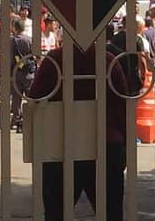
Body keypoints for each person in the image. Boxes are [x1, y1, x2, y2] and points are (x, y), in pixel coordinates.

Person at [30, 43, 128, 221]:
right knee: (111, 212)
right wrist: (125, 146)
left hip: (61, 143)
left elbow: (36, 97)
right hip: (105, 143)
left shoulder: (54, 59)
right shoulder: (107, 59)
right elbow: (122, 104)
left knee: (55, 212)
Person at [9, 17, 35, 133]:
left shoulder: (12, 41)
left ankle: (18, 120)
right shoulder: (30, 40)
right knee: (31, 97)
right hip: (29, 72)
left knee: (16, 98)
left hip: (16, 72)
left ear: (15, 28)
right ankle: (30, 119)